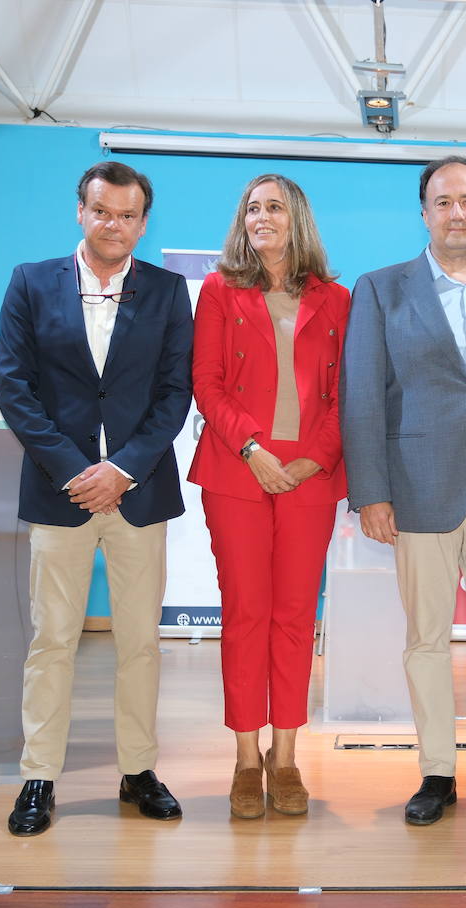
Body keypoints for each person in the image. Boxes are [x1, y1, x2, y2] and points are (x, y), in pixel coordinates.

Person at [340, 156, 466, 826]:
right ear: (424, 212)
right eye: (443, 201)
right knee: (426, 638)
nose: (457, 213)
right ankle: (436, 772)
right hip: (418, 486)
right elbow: (362, 394)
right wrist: (370, 490)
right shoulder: (381, 289)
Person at [0, 161, 194, 836]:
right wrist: (78, 471)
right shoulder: (31, 282)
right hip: (62, 494)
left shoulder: (166, 291)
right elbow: (15, 388)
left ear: (144, 222)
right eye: (102, 211)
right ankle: (38, 776)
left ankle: (138, 770)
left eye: (128, 215)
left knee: (140, 642)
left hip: (139, 494)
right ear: (81, 212)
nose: (114, 224)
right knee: (53, 639)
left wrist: (124, 470)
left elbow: (175, 393)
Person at [188, 174, 349, 819]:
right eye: (252, 208)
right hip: (238, 472)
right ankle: (245, 758)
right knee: (245, 614)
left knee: (295, 617)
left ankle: (285, 758)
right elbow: (206, 383)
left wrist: (315, 458)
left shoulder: (336, 299)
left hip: (310, 476)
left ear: (296, 218)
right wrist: (253, 449)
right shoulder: (219, 290)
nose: (262, 217)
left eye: (274, 207)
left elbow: (346, 393)